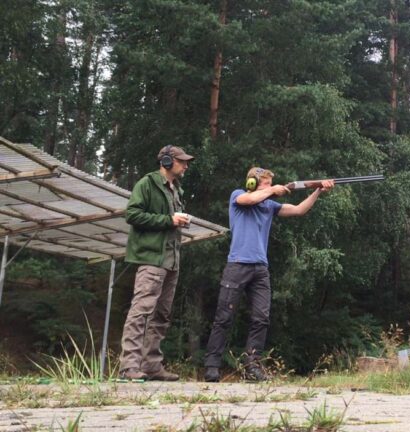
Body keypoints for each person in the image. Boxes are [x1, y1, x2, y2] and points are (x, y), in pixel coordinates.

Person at [202, 167, 334, 382]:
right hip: (237, 265)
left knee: (261, 319)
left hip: (260, 268)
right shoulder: (238, 195)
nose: (269, 186)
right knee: (224, 318)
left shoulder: (270, 206)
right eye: (265, 183)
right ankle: (211, 366)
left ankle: (252, 367)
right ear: (253, 183)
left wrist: (317, 190)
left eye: (270, 183)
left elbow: (299, 210)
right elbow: (248, 200)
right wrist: (272, 190)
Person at [118, 145, 194, 381]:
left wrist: (178, 221)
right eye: (181, 161)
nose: (186, 166)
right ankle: (128, 367)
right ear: (168, 162)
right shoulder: (147, 184)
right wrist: (168, 220)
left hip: (171, 259)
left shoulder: (176, 190)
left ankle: (151, 365)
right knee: (141, 311)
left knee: (161, 314)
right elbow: (132, 214)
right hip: (151, 258)